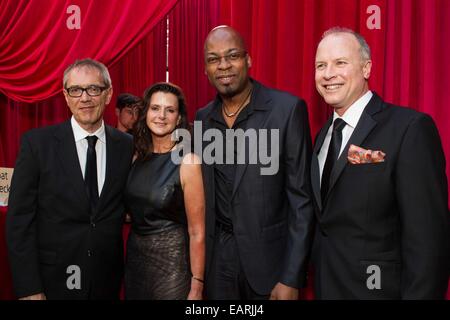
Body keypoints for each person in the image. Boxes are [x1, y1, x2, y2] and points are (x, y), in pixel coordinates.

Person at [311, 27, 450, 299]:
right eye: (320, 65)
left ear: (366, 69)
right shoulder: (322, 136)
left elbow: (429, 243)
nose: (328, 74)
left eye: (340, 63)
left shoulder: (409, 129)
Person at [195, 26, 315, 300]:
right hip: (218, 264)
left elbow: (302, 201)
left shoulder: (287, 110)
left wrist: (292, 276)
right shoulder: (202, 119)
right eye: (214, 59)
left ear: (248, 60)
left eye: (232, 55)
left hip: (270, 266)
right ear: (205, 69)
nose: (224, 65)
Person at [6, 58, 133, 300]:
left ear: (108, 94)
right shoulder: (37, 145)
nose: (84, 98)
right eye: (76, 90)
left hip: (106, 281)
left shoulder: (126, 146)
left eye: (94, 89)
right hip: (53, 281)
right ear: (65, 96)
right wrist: (30, 288)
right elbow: (19, 222)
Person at [124, 82, 205, 300]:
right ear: (146, 113)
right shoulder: (136, 158)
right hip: (135, 264)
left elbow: (197, 231)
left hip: (172, 266)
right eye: (155, 108)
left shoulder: (188, 162)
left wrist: (197, 285)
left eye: (170, 110)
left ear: (178, 118)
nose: (161, 116)